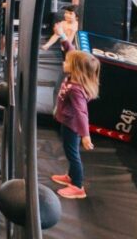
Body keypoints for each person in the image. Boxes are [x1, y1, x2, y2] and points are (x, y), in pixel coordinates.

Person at [52, 50, 100, 200]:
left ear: (76, 68)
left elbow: (81, 113)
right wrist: (63, 36)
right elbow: (71, 49)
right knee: (69, 151)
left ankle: (78, 186)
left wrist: (85, 135)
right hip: (67, 121)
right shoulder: (72, 78)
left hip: (72, 125)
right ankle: (71, 176)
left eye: (67, 62)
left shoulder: (76, 90)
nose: (63, 63)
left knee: (72, 154)